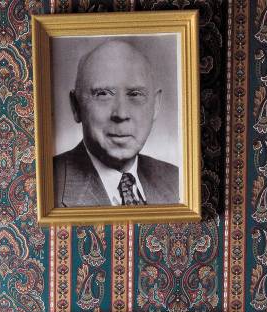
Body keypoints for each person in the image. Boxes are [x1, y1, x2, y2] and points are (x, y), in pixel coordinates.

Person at [54, 38, 179, 207]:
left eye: (135, 94)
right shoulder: (48, 182)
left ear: (155, 106)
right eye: (103, 94)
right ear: (76, 106)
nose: (121, 114)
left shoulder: (177, 180)